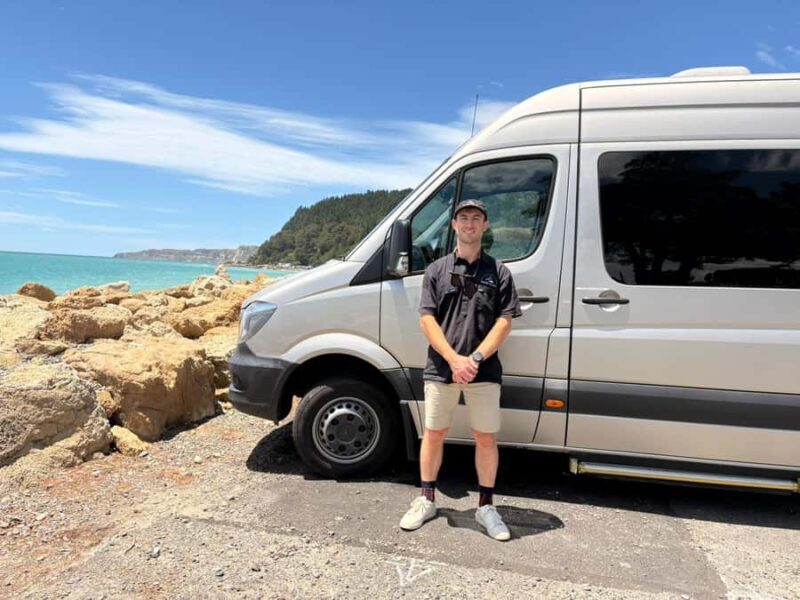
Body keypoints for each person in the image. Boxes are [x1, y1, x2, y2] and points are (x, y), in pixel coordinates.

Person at [399, 198, 522, 541]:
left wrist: (475, 360)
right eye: (463, 218)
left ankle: (486, 506)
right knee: (434, 433)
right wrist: (454, 359)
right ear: (453, 225)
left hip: (483, 371)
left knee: (485, 437)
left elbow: (505, 322)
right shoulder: (436, 271)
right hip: (441, 368)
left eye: (476, 219)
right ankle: (426, 499)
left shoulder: (499, 273)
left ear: (485, 227)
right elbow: (427, 320)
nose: (469, 224)